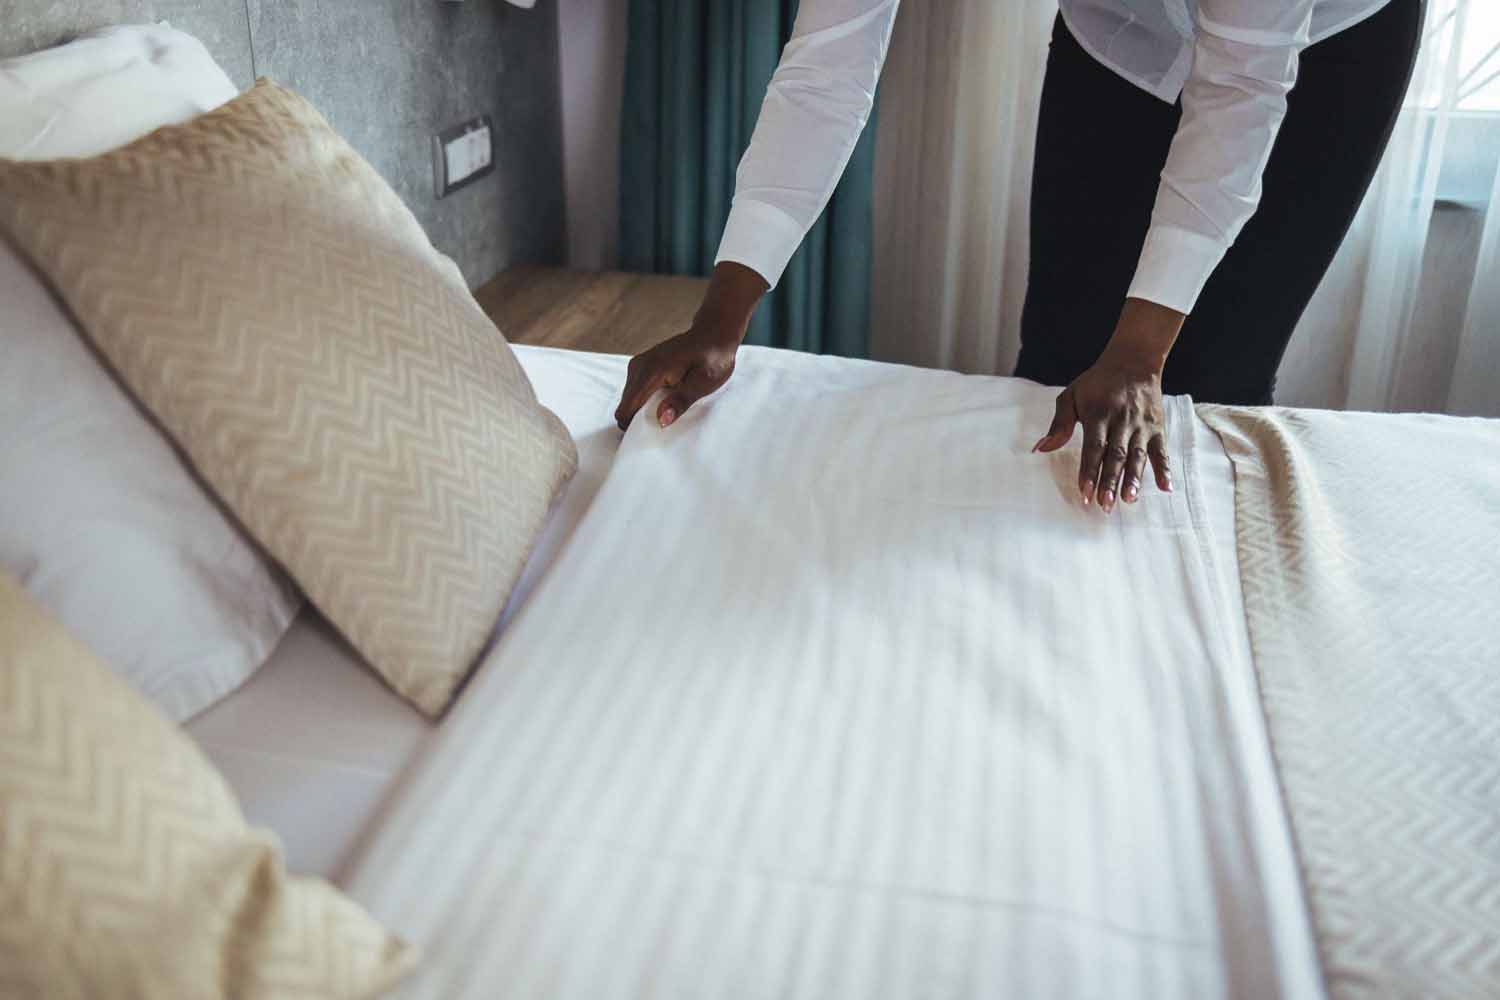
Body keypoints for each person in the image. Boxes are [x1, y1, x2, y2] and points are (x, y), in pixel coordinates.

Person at [613, 0, 1423, 514]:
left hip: (1326, 43)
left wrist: (1142, 352)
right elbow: (825, 74)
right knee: (1058, 367)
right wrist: (722, 320)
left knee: (1214, 379)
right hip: (1118, 32)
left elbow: (1240, 95)